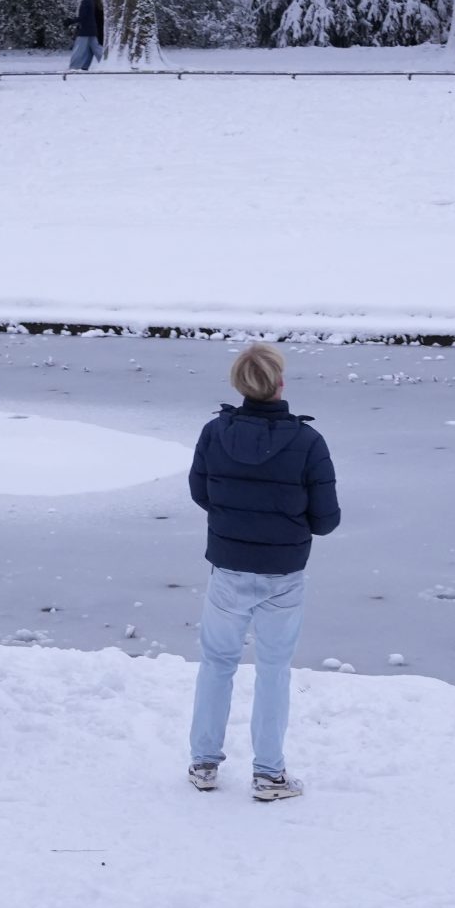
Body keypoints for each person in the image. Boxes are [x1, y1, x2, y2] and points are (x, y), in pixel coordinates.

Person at [185, 343, 339, 802]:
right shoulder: (309, 442)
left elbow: (201, 492)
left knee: (217, 664)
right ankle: (269, 775)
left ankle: (204, 764)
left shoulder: (215, 433)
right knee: (273, 669)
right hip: (283, 574)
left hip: (228, 568)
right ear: (280, 383)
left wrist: (236, 519)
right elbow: (326, 520)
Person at [69, 0, 104, 71]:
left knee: (79, 48)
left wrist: (71, 21)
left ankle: (74, 66)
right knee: (95, 48)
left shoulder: (85, 2)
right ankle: (105, 62)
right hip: (94, 29)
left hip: (85, 29)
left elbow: (83, 17)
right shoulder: (93, 0)